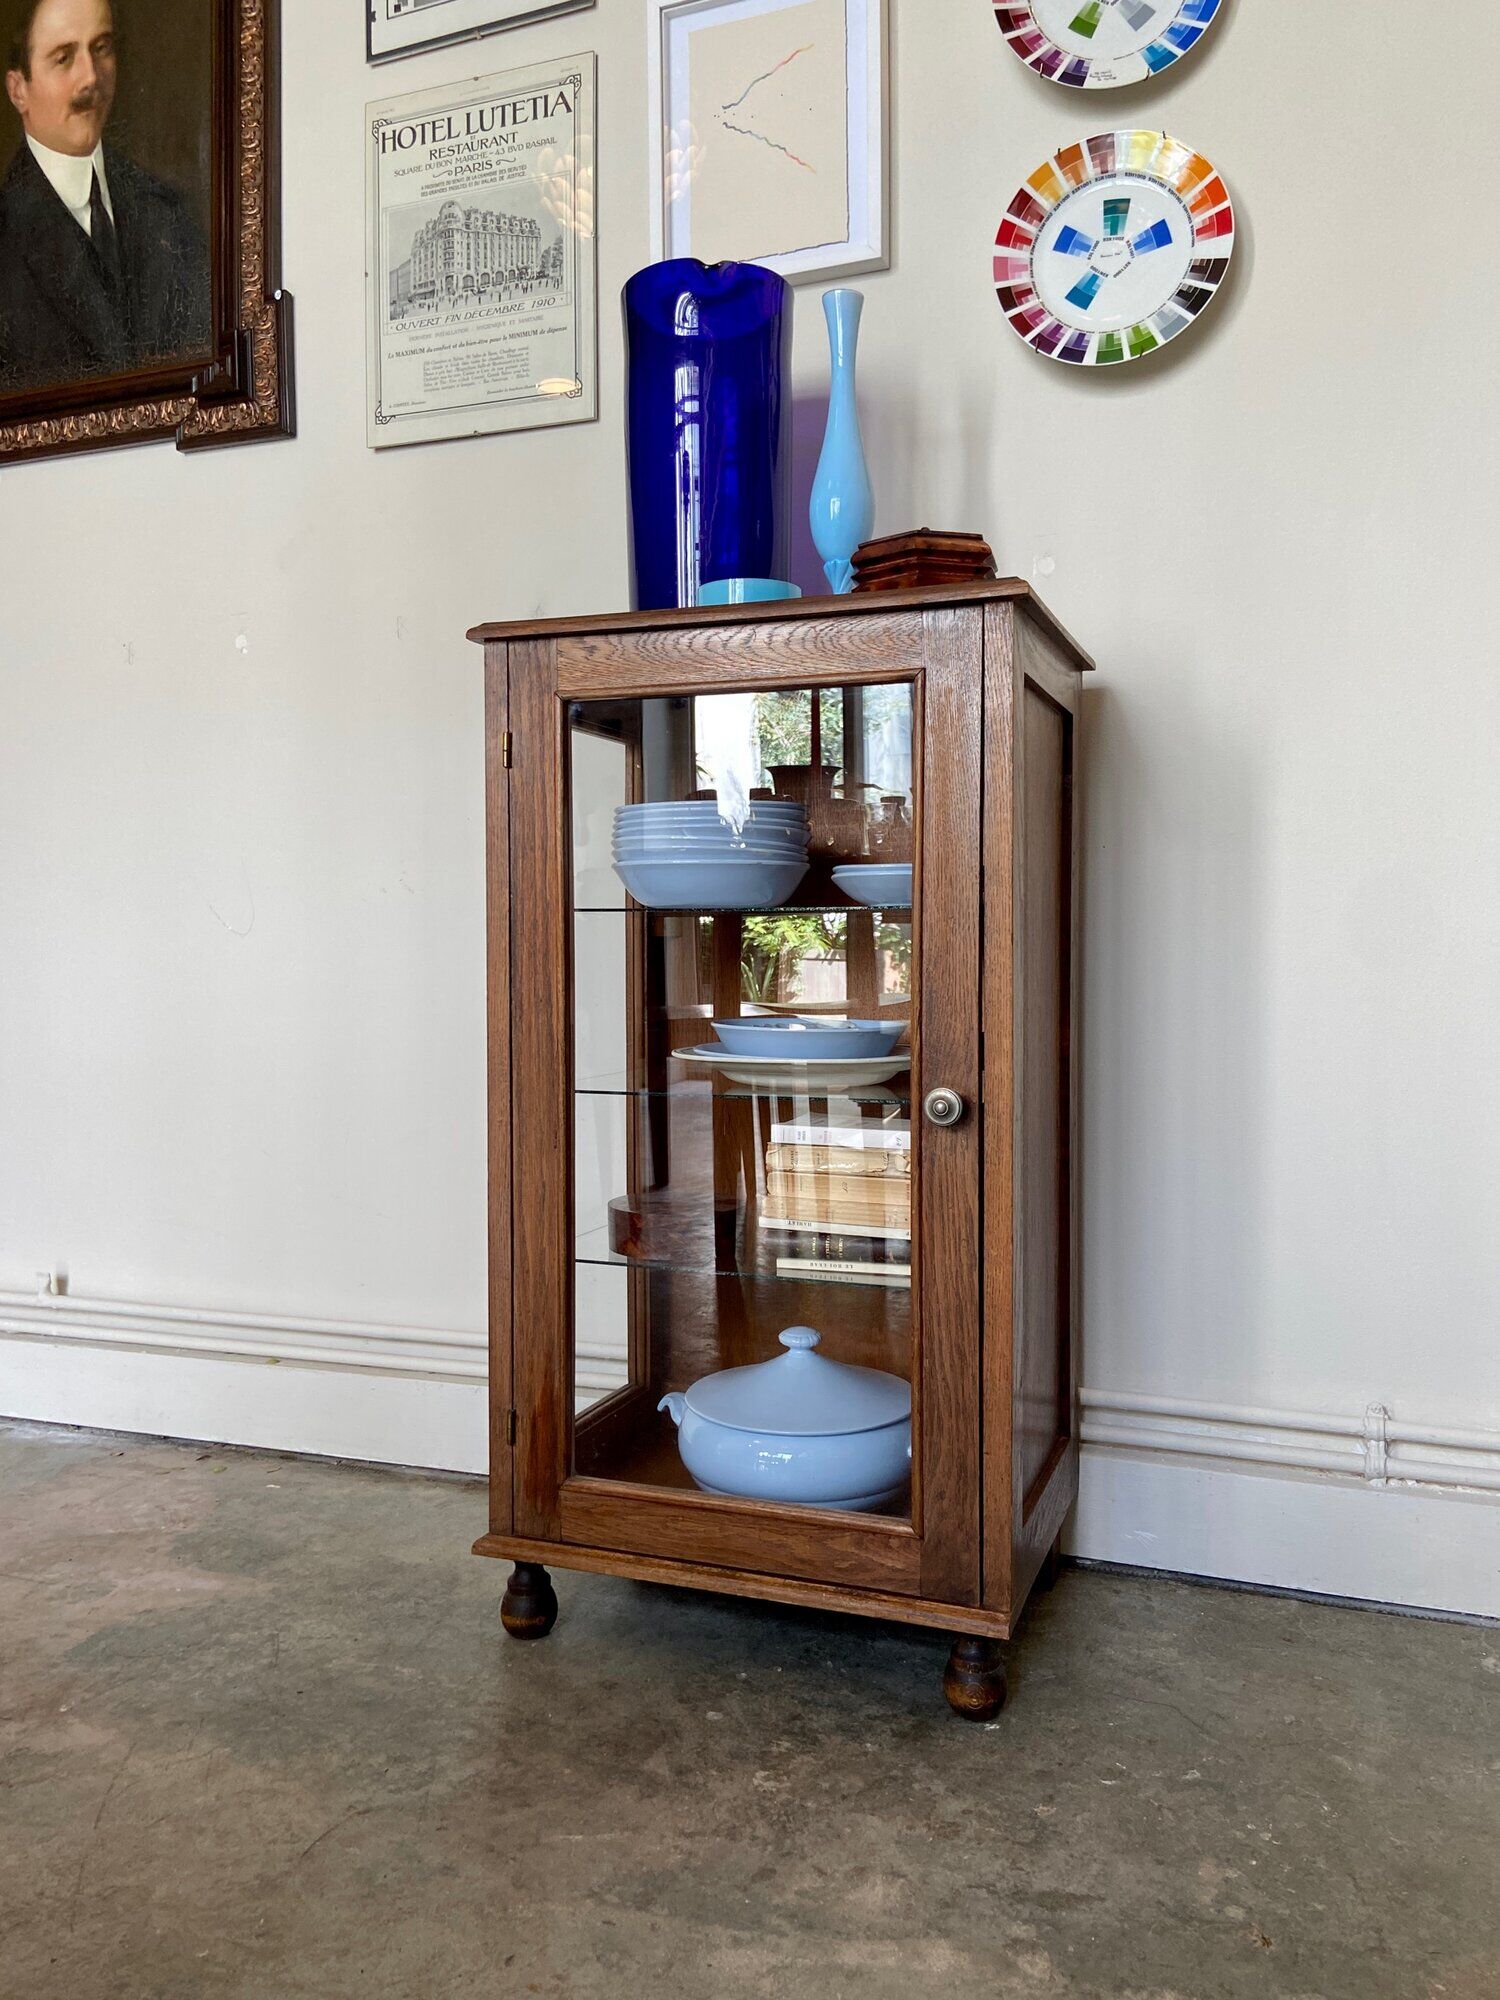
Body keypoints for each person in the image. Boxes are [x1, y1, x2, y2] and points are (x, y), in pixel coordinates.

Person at [0, 0, 209, 394]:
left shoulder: (168, 212)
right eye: (63, 58)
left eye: (101, 49)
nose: (90, 78)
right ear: (18, 90)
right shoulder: (6, 232)